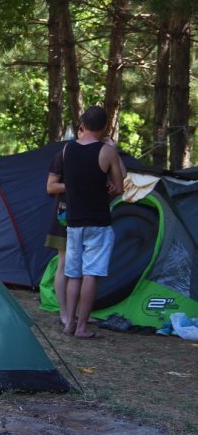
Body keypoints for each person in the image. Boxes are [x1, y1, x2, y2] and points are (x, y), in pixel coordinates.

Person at [62, 106, 124, 339]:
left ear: (83, 124)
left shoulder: (68, 149)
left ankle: (69, 323)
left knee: (74, 273)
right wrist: (110, 184)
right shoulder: (107, 151)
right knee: (91, 273)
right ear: (105, 127)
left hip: (73, 220)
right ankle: (82, 327)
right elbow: (119, 186)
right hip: (98, 220)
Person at [45, 147, 68, 325]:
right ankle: (64, 312)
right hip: (65, 215)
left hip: (91, 218)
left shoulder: (102, 152)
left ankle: (80, 312)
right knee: (65, 263)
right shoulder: (64, 154)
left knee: (86, 269)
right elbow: (51, 187)